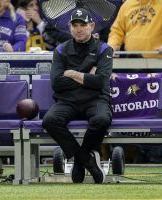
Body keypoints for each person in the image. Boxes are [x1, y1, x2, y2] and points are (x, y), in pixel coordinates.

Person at [42, 8, 113, 184]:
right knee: (50, 120)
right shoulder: (60, 49)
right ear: (70, 27)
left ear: (92, 26)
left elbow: (100, 82)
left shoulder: (104, 49)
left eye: (83, 25)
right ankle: (85, 159)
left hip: (95, 99)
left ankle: (79, 163)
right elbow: (56, 83)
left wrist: (72, 73)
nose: (79, 29)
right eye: (75, 25)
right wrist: (87, 76)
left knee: (102, 119)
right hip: (68, 100)